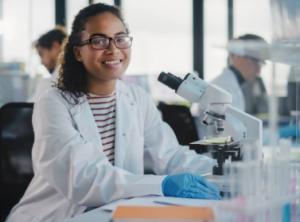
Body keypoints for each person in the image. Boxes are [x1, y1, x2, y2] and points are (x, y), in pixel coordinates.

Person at [6, 3, 220, 222]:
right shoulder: (53, 101)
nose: (113, 49)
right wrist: (162, 184)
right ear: (78, 51)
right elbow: (83, 178)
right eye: (99, 40)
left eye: (120, 38)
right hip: (54, 217)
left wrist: (224, 173)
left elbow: (170, 155)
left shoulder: (137, 99)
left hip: (113, 214)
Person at [212, 34, 269, 115]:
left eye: (262, 64)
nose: (258, 71)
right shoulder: (225, 88)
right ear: (239, 55)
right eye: (256, 61)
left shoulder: (231, 84)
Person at [29, 28, 67, 101]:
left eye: (41, 54)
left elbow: (27, 109)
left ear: (55, 47)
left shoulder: (49, 85)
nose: (41, 62)